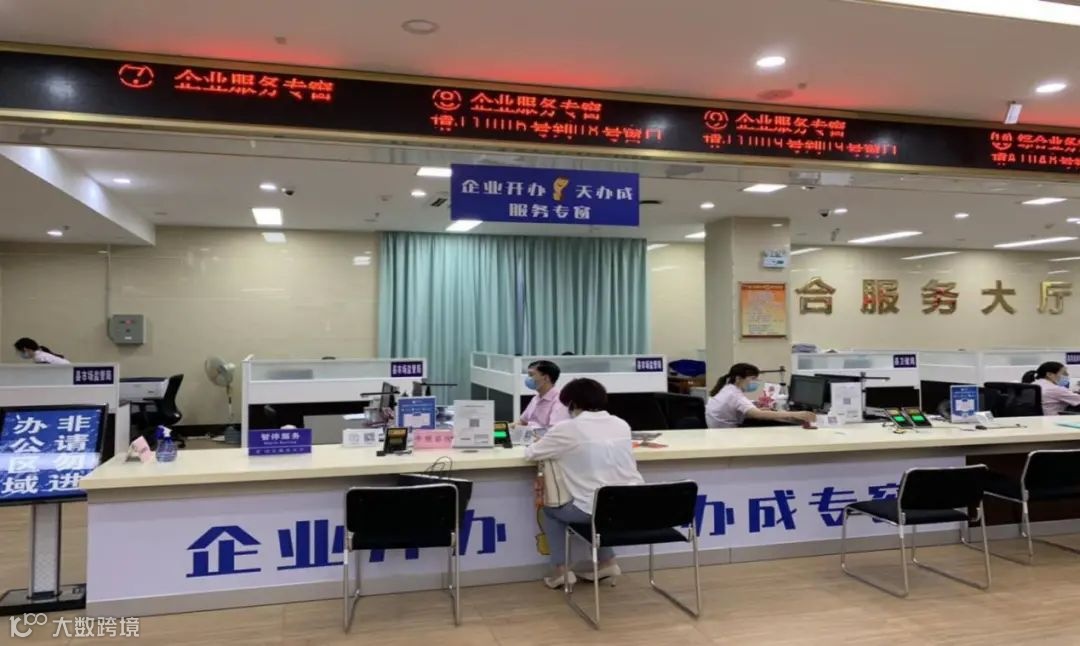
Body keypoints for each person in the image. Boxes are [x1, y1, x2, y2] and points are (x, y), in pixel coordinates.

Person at [524, 378, 643, 589]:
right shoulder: (621, 424)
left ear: (572, 403)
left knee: (551, 511)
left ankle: (560, 571)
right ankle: (607, 562)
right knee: (600, 506)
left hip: (595, 507)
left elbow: (531, 453)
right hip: (634, 505)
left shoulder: (568, 428)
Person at [705, 363, 816, 428]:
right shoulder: (734, 394)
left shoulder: (727, 388)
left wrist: (756, 409)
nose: (754, 382)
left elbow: (741, 410)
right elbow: (758, 414)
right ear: (738, 378)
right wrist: (796, 414)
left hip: (719, 430)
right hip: (728, 433)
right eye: (752, 379)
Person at [516, 359, 570, 429]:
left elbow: (555, 431)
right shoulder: (536, 398)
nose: (528, 378)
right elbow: (522, 422)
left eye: (531, 375)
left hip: (543, 436)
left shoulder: (560, 401)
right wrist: (502, 428)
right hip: (528, 434)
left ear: (546, 378)